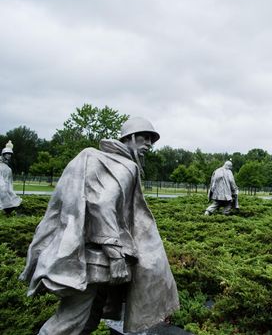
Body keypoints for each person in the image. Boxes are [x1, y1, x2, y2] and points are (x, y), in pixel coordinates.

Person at [20, 117, 179, 335]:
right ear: (130, 137)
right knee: (67, 324)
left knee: (89, 320)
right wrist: (115, 256)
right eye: (145, 138)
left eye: (152, 140)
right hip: (98, 261)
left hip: (83, 255)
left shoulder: (96, 158)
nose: (149, 144)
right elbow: (102, 203)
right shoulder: (125, 166)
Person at [0, 140, 22, 215]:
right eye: (7, 154)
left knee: (13, 200)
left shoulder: (9, 169)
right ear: (3, 154)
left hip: (6, 188)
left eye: (10, 154)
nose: (9, 155)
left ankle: (7, 213)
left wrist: (10, 190)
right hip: (1, 187)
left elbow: (10, 182)